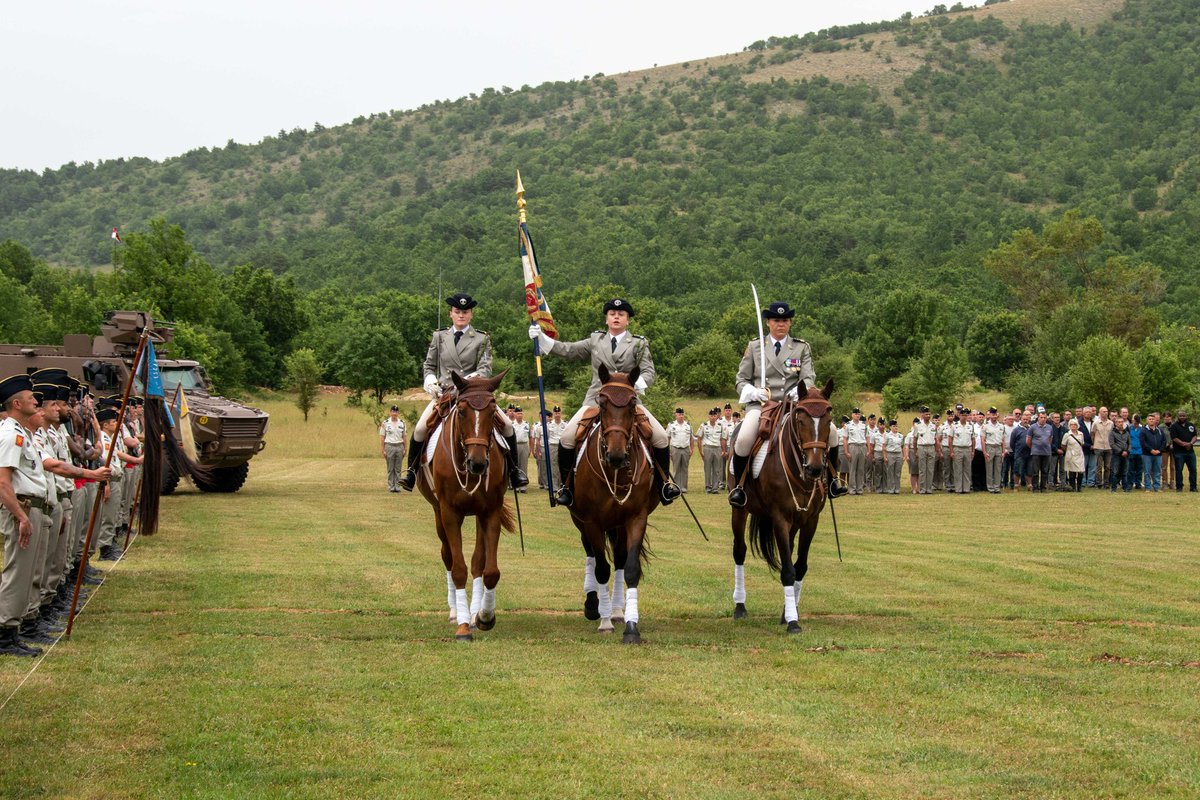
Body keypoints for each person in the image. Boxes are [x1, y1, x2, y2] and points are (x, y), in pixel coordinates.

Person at [530, 297, 678, 507]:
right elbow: (569, 350)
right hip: (596, 399)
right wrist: (543, 340)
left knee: (661, 437)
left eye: (621, 315)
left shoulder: (639, 343)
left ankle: (663, 486)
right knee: (567, 438)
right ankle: (566, 487)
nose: (616, 317)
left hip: (628, 402)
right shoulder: (595, 340)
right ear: (607, 319)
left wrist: (636, 384)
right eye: (612, 314)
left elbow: (649, 371)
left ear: (627, 320)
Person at [400, 293, 527, 492]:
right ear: (451, 313)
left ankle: (514, 471)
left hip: (474, 393)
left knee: (508, 425)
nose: (461, 315)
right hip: (445, 394)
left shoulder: (481, 338)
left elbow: (485, 368)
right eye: (457, 311)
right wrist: (430, 381)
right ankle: (411, 472)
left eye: (465, 312)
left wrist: (467, 381)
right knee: (420, 429)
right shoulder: (439, 336)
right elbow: (429, 365)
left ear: (471, 315)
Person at [727, 301, 844, 506]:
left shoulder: (801, 347)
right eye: (776, 320)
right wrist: (752, 391)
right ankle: (739, 487)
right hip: (763, 406)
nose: (781, 324)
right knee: (744, 438)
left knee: (832, 432)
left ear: (789, 323)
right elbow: (741, 379)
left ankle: (833, 480)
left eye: (785, 320)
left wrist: (797, 391)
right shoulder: (755, 347)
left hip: (794, 405)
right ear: (769, 323)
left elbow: (808, 378)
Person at [0, 375, 51, 657]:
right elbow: (3, 483)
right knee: (17, 573)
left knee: (26, 573)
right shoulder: (10, 435)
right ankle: (5, 634)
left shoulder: (22, 434)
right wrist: (21, 517)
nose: (36, 401)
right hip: (22, 509)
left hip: (30, 508)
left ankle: (12, 629)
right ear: (16, 404)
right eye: (30, 397)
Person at [665, 408, 694, 494]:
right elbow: (667, 438)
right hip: (675, 448)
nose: (681, 416)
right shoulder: (671, 425)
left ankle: (684, 488)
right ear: (676, 415)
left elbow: (691, 438)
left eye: (682, 414)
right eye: (679, 414)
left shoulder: (688, 425)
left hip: (685, 449)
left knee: (684, 469)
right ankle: (675, 487)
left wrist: (691, 449)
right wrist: (668, 450)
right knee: (676, 468)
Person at [1168, 409, 1197, 492]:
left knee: (1193, 470)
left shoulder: (1191, 425)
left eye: (1183, 415)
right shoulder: (1174, 426)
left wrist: (1190, 444)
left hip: (1190, 452)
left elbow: (1195, 436)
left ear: (1186, 416)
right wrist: (1185, 444)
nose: (1182, 417)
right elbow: (1174, 438)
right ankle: (1179, 487)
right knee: (1179, 470)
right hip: (1179, 452)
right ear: (1178, 417)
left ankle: (1193, 487)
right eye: (1180, 416)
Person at [379, 406, 407, 492]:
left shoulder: (402, 423)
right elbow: (382, 437)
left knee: (398, 468)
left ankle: (397, 486)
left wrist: (405, 448)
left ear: (398, 413)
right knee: (390, 468)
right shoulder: (385, 423)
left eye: (396, 412)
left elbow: (404, 437)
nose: (394, 413)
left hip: (399, 446)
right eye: (393, 412)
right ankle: (391, 486)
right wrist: (383, 449)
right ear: (390, 413)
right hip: (389, 446)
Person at [697, 408, 724, 493]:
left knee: (716, 469)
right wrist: (701, 451)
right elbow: (699, 439)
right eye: (711, 415)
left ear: (717, 416)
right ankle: (708, 487)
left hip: (717, 448)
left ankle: (715, 488)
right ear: (708, 416)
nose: (713, 417)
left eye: (714, 415)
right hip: (708, 448)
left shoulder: (720, 425)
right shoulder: (704, 425)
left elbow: (722, 439)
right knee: (707, 468)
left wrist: (723, 450)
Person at [913, 407, 938, 495]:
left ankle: (929, 488)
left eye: (929, 414)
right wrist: (915, 451)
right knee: (922, 469)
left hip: (931, 447)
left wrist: (936, 450)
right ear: (922, 415)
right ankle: (922, 489)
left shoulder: (933, 425)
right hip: (922, 447)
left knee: (930, 469)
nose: (928, 416)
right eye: (926, 414)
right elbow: (915, 439)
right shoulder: (918, 425)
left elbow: (936, 439)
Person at [1140, 413, 1167, 492]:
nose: (1151, 421)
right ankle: (1148, 487)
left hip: (1158, 454)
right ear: (1147, 420)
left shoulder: (1160, 430)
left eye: (1153, 419)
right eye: (1150, 419)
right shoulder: (1143, 430)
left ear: (1156, 420)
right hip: (1147, 454)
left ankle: (1157, 487)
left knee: (1157, 471)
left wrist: (1159, 450)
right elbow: (1143, 442)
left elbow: (1164, 441)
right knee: (1147, 471)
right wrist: (1151, 450)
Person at [1060, 419, 1086, 492]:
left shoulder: (1081, 434)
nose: (1073, 426)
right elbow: (1063, 445)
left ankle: (1079, 487)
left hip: (1079, 453)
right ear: (1069, 426)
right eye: (1071, 425)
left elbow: (1082, 443)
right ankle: (1073, 487)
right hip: (1071, 454)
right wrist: (1068, 451)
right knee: (1072, 471)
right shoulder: (1067, 435)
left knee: (1081, 471)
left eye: (1075, 425)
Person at [545, 406, 568, 489]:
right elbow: (547, 437)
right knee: (554, 466)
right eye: (555, 413)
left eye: (558, 413)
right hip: (553, 446)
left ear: (560, 413)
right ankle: (555, 486)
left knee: (562, 465)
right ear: (553, 414)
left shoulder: (565, 424)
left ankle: (562, 484)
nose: (557, 415)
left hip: (562, 446)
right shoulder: (549, 424)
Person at [983, 407, 1004, 493]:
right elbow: (983, 440)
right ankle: (990, 487)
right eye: (992, 415)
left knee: (998, 469)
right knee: (989, 469)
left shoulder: (1001, 426)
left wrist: (1003, 452)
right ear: (990, 415)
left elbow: (1003, 440)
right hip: (989, 447)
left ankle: (997, 487)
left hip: (998, 447)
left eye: (995, 414)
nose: (994, 416)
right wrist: (984, 452)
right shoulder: (985, 426)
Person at [1009, 411, 1032, 491]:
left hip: (1030, 453)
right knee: (1017, 470)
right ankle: (1016, 485)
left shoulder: (1031, 429)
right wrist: (1017, 450)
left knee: (1029, 470)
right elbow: (1012, 443)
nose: (1025, 421)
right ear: (1021, 420)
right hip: (1019, 453)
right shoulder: (1016, 430)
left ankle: (1029, 485)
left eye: (1027, 419)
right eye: (1024, 419)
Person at [1109, 415, 1130, 492]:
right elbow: (1112, 444)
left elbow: (1129, 443)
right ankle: (1113, 488)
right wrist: (1121, 451)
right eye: (1118, 422)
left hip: (1126, 455)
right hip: (1116, 455)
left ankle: (1125, 488)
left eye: (1122, 422)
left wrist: (1127, 451)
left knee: (1125, 472)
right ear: (1115, 423)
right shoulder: (1112, 433)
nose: (1120, 423)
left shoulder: (1126, 433)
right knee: (1115, 472)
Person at [512, 407, 530, 493]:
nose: (520, 415)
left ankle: (523, 487)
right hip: (515, 446)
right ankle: (516, 486)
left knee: (523, 466)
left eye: (521, 413)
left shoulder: (526, 424)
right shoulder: (512, 424)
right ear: (515, 415)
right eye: (518, 413)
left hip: (524, 445)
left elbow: (530, 437)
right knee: (516, 466)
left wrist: (529, 448)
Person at [883, 420, 903, 494]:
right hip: (890, 454)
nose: (895, 427)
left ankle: (897, 489)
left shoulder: (900, 435)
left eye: (896, 426)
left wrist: (903, 456)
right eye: (894, 426)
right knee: (890, 472)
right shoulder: (887, 435)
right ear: (890, 427)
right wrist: (885, 457)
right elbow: (884, 446)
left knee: (898, 472)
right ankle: (891, 489)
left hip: (898, 454)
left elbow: (902, 446)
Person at [904, 417, 919, 494]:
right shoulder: (909, 434)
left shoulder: (921, 433)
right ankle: (914, 488)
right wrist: (906, 455)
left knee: (920, 471)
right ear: (913, 424)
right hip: (912, 451)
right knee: (913, 472)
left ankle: (919, 488)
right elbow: (906, 445)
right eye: (916, 423)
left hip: (920, 451)